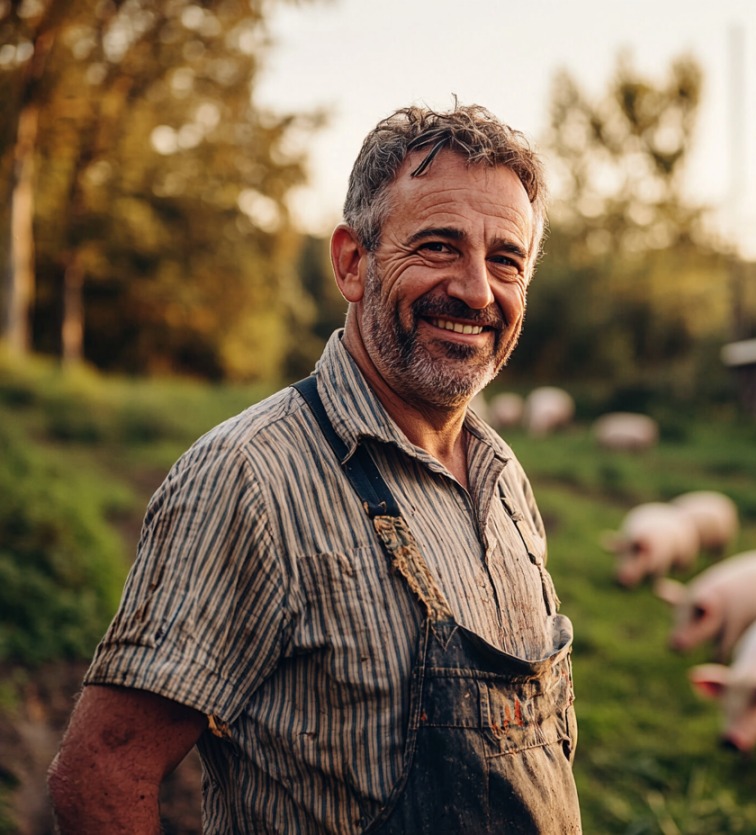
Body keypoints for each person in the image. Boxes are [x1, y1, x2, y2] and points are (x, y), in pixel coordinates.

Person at [48, 103, 582, 834]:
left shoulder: (504, 476)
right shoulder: (249, 477)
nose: (475, 290)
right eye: (437, 246)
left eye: (505, 261)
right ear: (353, 263)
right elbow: (103, 774)